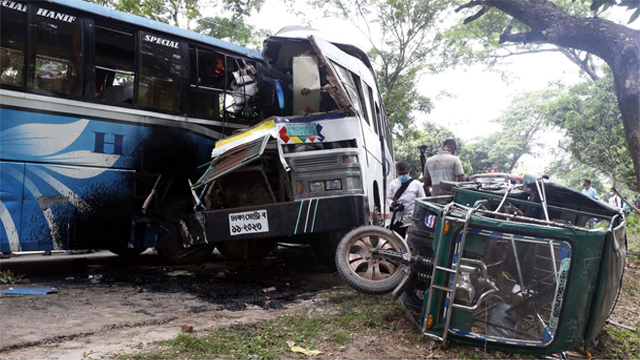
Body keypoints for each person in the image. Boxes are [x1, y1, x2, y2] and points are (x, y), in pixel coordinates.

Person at [387, 162, 425, 238]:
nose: (402, 176)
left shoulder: (417, 184)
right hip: (395, 219)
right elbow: (388, 198)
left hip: (410, 219)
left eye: (404, 174)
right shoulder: (393, 184)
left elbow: (422, 200)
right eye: (400, 174)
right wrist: (392, 204)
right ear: (397, 173)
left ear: (409, 172)